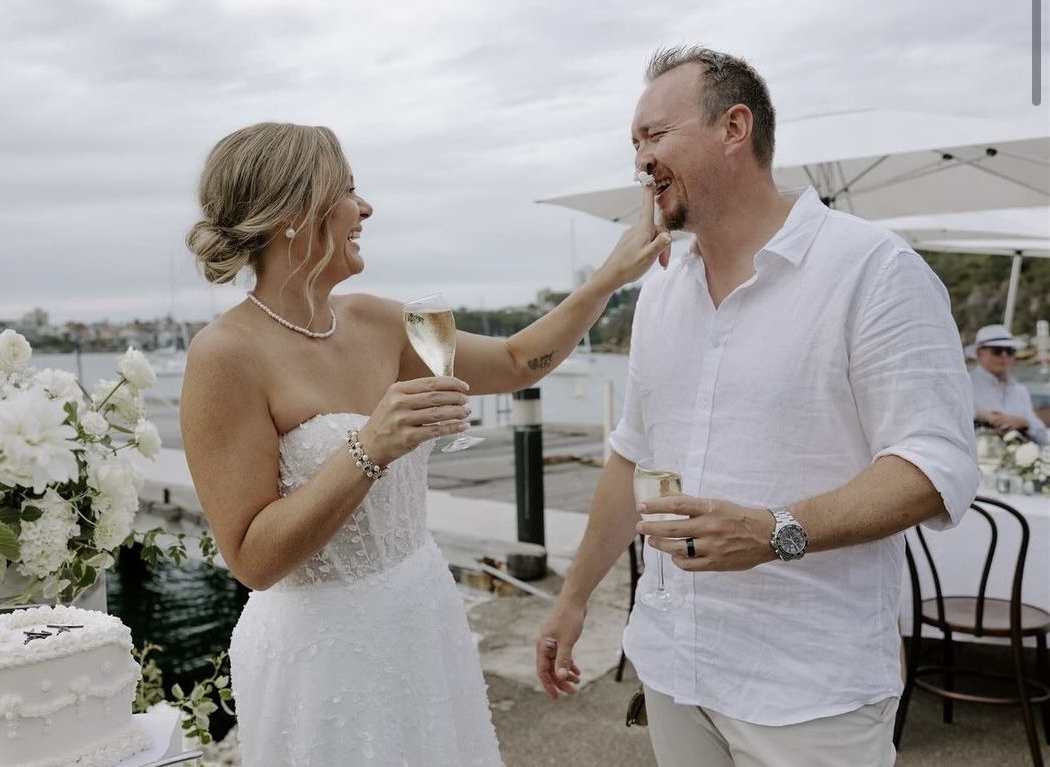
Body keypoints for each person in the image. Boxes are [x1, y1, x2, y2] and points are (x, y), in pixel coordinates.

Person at [535, 46, 978, 767]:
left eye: (653, 136)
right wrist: (574, 597)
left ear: (733, 127)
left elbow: (933, 464)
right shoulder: (660, 290)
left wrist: (777, 530)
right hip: (674, 662)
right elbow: (631, 456)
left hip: (807, 687)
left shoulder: (874, 270)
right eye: (633, 144)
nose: (640, 161)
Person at [179, 122, 668, 766]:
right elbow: (252, 560)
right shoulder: (225, 357)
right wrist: (370, 448)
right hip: (323, 658)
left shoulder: (377, 319)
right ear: (295, 214)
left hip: (420, 614)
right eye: (349, 190)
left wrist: (609, 276)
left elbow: (520, 362)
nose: (366, 208)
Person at [967, 323, 1047, 445]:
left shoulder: (1020, 390)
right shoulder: (966, 384)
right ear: (979, 354)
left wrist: (1025, 423)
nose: (1004, 356)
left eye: (1009, 351)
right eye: (997, 351)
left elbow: (1043, 436)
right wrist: (980, 416)